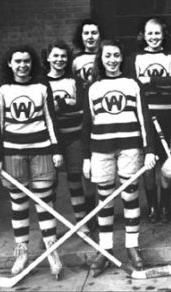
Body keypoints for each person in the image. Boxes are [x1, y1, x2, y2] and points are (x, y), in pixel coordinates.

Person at [81, 39, 157, 272]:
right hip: (101, 149)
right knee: (104, 200)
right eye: (107, 56)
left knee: (130, 195)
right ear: (100, 59)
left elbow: (145, 119)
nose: (112, 60)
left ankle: (132, 246)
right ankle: (105, 249)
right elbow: (87, 125)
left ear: (122, 58)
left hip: (130, 148)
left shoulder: (133, 84)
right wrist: (86, 157)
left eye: (116, 55)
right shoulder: (93, 87)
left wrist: (149, 150)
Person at [0, 45, 63, 278]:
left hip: (41, 151)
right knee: (19, 204)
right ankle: (22, 253)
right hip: (13, 154)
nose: (23, 65)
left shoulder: (42, 86)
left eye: (27, 61)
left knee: (44, 203)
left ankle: (52, 251)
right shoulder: (2, 89)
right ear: (10, 64)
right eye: (18, 61)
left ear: (32, 63)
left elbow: (51, 120)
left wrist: (56, 149)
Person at [127, 17, 171, 224]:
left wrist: (151, 81)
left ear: (163, 35)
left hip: (168, 115)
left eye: (157, 33)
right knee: (148, 164)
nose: (154, 37)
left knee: (166, 162)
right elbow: (133, 86)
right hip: (145, 116)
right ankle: (152, 207)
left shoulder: (170, 56)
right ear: (143, 35)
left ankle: (165, 205)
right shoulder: (135, 58)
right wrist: (161, 85)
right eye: (150, 33)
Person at [41, 40, 94, 234]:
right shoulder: (41, 81)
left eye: (63, 56)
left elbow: (83, 106)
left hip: (73, 137)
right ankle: (50, 229)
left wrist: (70, 104)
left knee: (75, 180)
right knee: (50, 183)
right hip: (51, 140)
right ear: (48, 57)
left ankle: (81, 224)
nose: (59, 59)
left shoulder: (74, 80)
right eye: (55, 55)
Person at [71, 18, 101, 220]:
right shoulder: (75, 61)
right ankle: (90, 212)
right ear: (81, 37)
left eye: (94, 32)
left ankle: (103, 208)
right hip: (83, 116)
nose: (90, 36)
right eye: (86, 33)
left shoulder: (107, 56)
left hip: (102, 114)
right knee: (86, 164)